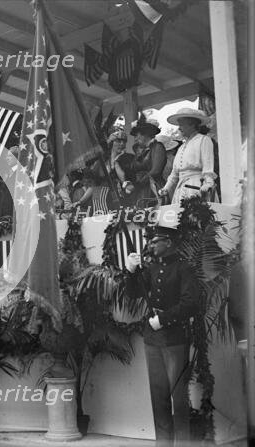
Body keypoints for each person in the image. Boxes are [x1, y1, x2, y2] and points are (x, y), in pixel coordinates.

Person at [125, 226, 200, 446]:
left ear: (168, 242)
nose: (150, 245)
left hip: (175, 338)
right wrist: (131, 271)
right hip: (153, 339)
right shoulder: (150, 268)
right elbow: (132, 294)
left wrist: (163, 320)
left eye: (154, 241)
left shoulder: (184, 268)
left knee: (178, 398)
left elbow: (190, 303)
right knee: (159, 397)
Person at [158, 108, 216, 205]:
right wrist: (166, 188)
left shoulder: (203, 140)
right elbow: (174, 174)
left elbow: (208, 166)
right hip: (181, 189)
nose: (179, 128)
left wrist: (208, 183)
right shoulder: (181, 147)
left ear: (192, 124)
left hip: (197, 186)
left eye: (181, 124)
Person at [131, 117, 166, 204]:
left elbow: (156, 171)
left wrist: (138, 184)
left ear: (145, 134)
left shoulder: (157, 146)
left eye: (137, 135)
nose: (135, 139)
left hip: (153, 189)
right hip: (141, 190)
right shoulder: (140, 151)